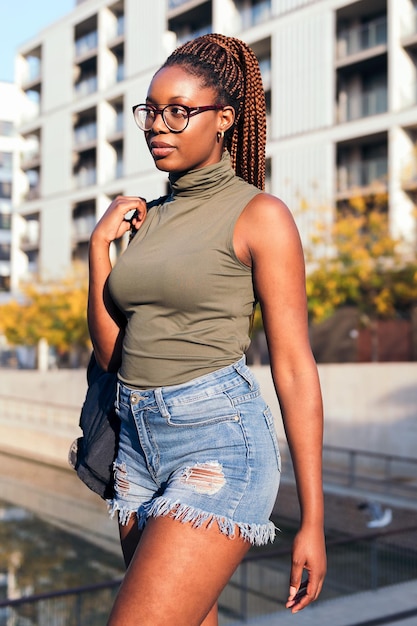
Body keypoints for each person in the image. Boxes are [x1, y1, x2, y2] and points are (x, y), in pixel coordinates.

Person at [88, 33, 326, 626]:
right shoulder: (143, 219)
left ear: (224, 119)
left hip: (215, 445)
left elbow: (294, 366)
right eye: (151, 111)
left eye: (178, 111)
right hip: (134, 448)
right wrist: (99, 252)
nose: (157, 127)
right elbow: (113, 351)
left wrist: (313, 520)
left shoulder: (260, 216)